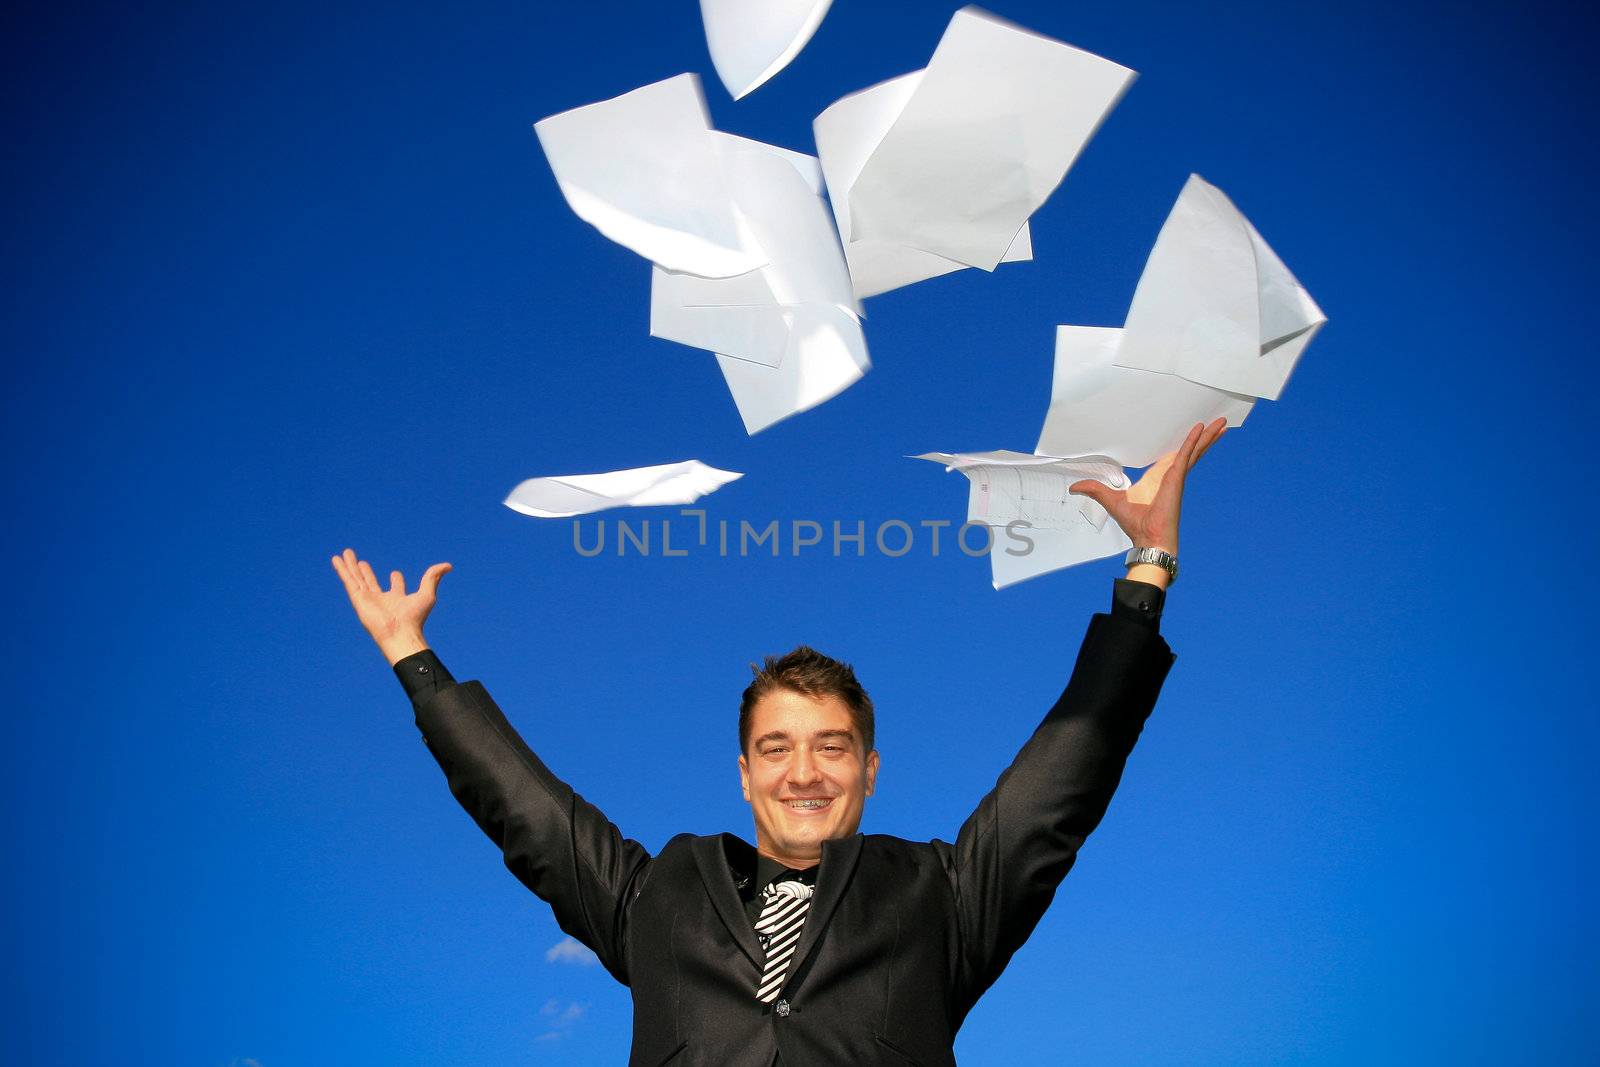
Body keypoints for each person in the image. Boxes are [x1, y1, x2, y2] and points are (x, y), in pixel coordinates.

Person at [331, 419, 1226, 1066]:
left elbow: (1063, 781)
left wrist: (1147, 571)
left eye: (832, 747)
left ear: (870, 771)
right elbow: (530, 814)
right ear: (745, 773)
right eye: (777, 748)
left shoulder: (942, 897)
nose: (804, 771)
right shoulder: (657, 895)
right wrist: (413, 656)